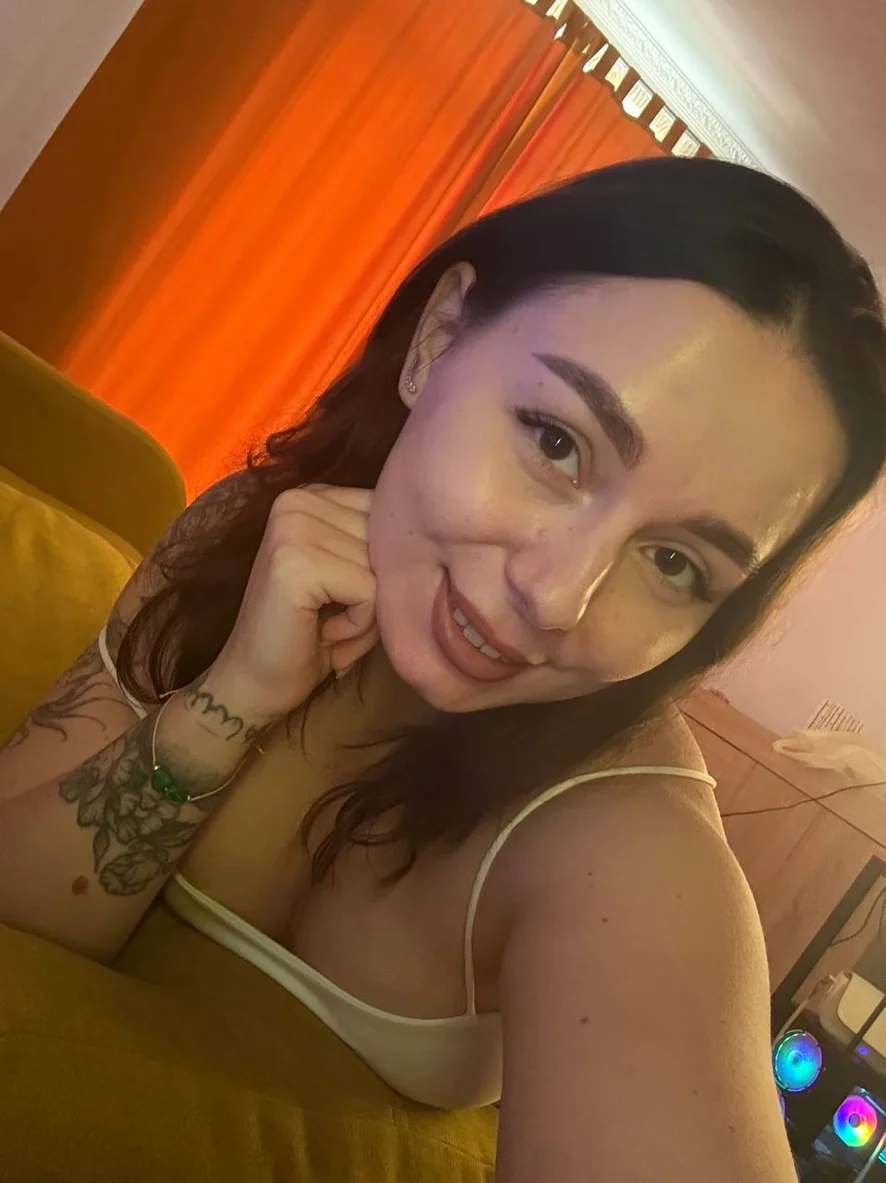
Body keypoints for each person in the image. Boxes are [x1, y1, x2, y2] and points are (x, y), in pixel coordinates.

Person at [1, 156, 885, 1182]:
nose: (557, 596)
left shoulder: (628, 851)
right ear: (438, 338)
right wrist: (231, 695)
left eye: (676, 563)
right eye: (557, 441)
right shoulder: (244, 533)